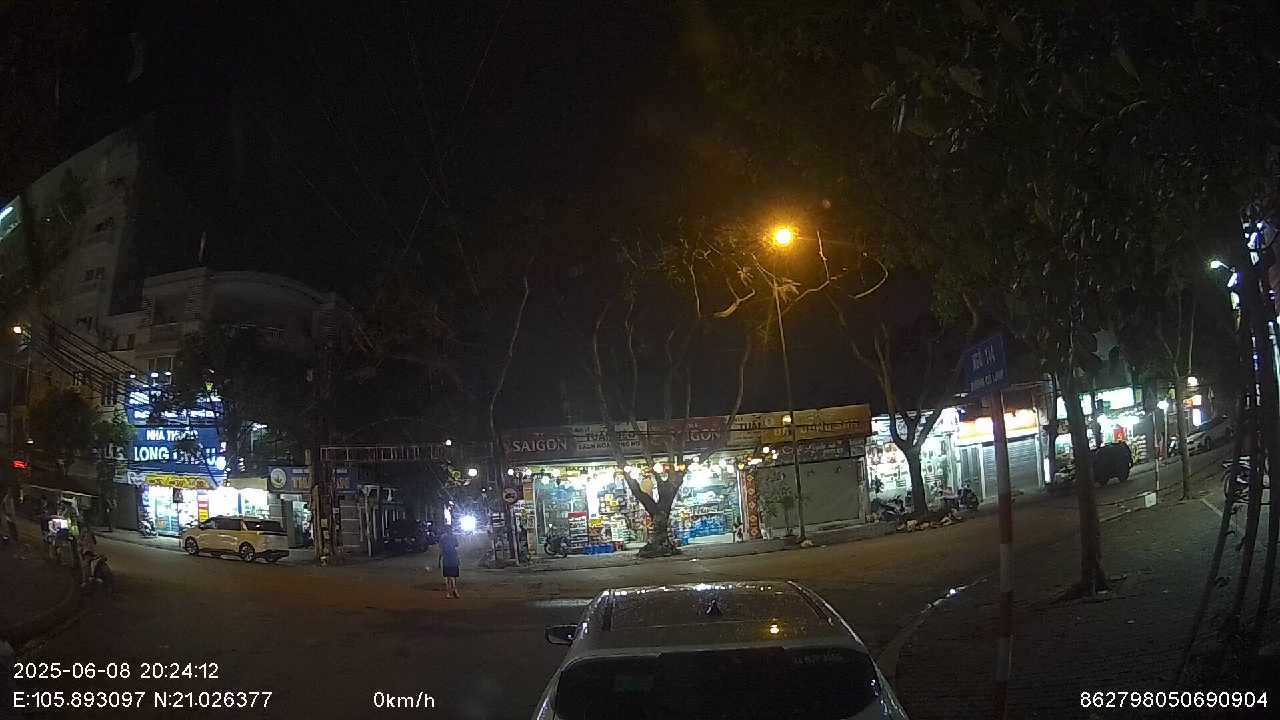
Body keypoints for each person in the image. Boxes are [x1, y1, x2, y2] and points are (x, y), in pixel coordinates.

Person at [438, 524, 460, 598]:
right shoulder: (453, 537)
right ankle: (454, 590)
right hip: (452, 558)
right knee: (453, 577)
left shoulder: (443, 538)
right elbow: (457, 546)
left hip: (447, 559)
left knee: (448, 577)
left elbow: (441, 549)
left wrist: (439, 560)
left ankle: (449, 592)